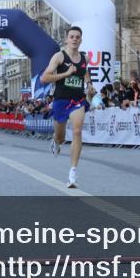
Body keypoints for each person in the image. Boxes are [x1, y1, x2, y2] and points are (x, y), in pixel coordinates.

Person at [40, 26, 93, 188]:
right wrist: (65, 74)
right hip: (61, 100)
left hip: (77, 100)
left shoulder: (85, 58)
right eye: (72, 37)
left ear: (81, 40)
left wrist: (89, 84)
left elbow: (85, 72)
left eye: (77, 37)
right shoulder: (59, 57)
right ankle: (56, 142)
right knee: (61, 136)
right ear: (66, 39)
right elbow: (44, 78)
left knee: (77, 131)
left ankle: (73, 173)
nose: (75, 39)